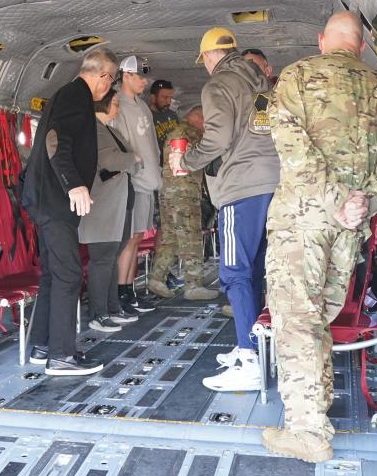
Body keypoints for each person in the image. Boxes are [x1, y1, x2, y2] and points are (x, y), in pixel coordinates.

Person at [261, 11, 377, 463]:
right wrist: (364, 202)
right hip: (349, 226)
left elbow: (291, 144)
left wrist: (332, 198)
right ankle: (314, 410)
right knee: (319, 316)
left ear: (322, 40)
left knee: (295, 317)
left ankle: (307, 430)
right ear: (361, 46)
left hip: (303, 219)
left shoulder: (298, 76)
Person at [169, 27, 280, 392]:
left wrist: (188, 159)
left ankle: (250, 359)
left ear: (210, 58)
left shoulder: (218, 85)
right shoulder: (260, 82)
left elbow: (216, 138)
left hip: (240, 186)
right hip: (271, 181)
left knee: (234, 271)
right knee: (259, 269)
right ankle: (259, 346)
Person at [21, 47, 118, 376]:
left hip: (45, 199)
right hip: (55, 200)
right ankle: (62, 356)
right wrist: (74, 184)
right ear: (104, 77)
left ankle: (43, 343)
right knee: (69, 274)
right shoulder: (76, 96)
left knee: (53, 273)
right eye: (111, 80)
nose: (109, 87)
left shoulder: (64, 95)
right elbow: (55, 140)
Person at [79, 89, 142, 332]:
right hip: (102, 202)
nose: (117, 107)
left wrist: (131, 159)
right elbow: (110, 160)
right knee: (102, 258)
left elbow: (132, 160)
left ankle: (112, 307)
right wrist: (131, 159)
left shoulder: (111, 131)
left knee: (113, 256)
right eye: (114, 103)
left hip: (119, 199)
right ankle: (98, 313)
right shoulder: (93, 130)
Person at [110, 55, 162, 315]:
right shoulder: (117, 104)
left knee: (138, 237)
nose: (144, 81)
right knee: (129, 239)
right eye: (140, 76)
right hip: (133, 180)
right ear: (126, 75)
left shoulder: (141, 106)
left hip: (148, 180)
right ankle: (121, 292)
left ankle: (130, 289)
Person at [148, 106, 217, 301]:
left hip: (168, 191)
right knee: (190, 237)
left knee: (171, 237)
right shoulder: (189, 132)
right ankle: (193, 285)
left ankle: (157, 278)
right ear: (197, 117)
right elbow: (202, 156)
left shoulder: (175, 131)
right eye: (206, 121)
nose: (207, 126)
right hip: (184, 193)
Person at [149, 79, 180, 157]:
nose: (169, 102)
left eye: (170, 98)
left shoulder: (172, 115)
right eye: (165, 98)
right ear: (153, 98)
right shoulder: (147, 118)